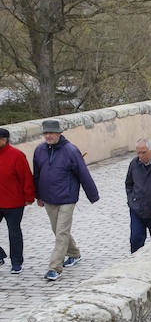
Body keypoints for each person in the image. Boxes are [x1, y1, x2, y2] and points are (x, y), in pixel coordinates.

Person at [32, 119, 100, 281]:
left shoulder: (71, 150)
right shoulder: (39, 150)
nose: (48, 136)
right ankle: (74, 254)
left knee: (61, 232)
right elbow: (36, 175)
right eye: (46, 133)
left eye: (51, 133)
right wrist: (38, 196)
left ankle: (54, 267)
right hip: (48, 197)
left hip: (67, 198)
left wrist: (93, 195)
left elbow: (83, 173)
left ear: (59, 133)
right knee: (57, 230)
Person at [0, 127, 35, 274]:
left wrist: (29, 197)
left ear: (4, 139)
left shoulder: (17, 155)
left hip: (14, 203)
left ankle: (16, 263)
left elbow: (26, 177)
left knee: (14, 232)